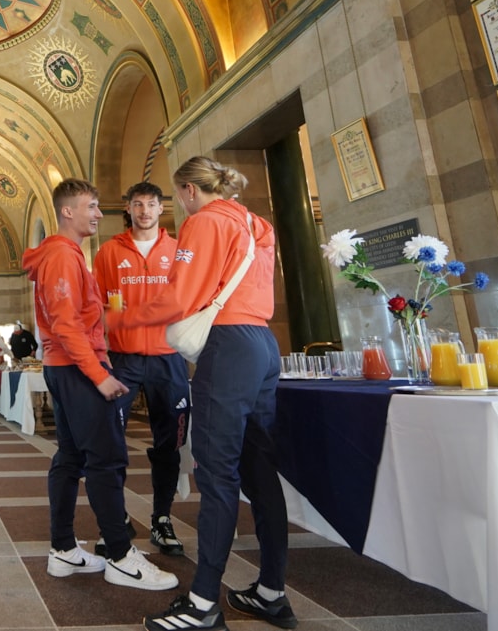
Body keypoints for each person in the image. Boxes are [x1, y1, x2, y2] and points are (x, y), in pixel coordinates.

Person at [113, 157, 294, 631]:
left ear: (190, 191)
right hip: (263, 344)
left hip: (229, 346)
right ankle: (272, 592)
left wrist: (122, 319)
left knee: (216, 472)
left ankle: (202, 605)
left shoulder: (204, 221)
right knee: (258, 468)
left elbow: (180, 297)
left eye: (176, 196)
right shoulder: (255, 222)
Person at [22, 178, 177, 592]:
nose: (99, 213)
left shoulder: (67, 254)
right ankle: (123, 558)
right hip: (76, 368)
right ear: (68, 212)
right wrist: (100, 375)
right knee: (107, 459)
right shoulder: (61, 256)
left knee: (71, 458)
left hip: (66, 365)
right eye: (91, 206)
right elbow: (66, 324)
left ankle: (63, 549)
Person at [94, 182, 189, 557]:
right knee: (111, 441)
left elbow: (190, 299)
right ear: (128, 209)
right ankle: (114, 522)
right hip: (124, 359)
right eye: (138, 204)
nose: (145, 210)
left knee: (169, 443)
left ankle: (162, 518)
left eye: (152, 204)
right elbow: (97, 306)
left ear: (161, 209)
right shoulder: (109, 252)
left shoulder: (179, 250)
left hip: (169, 358)